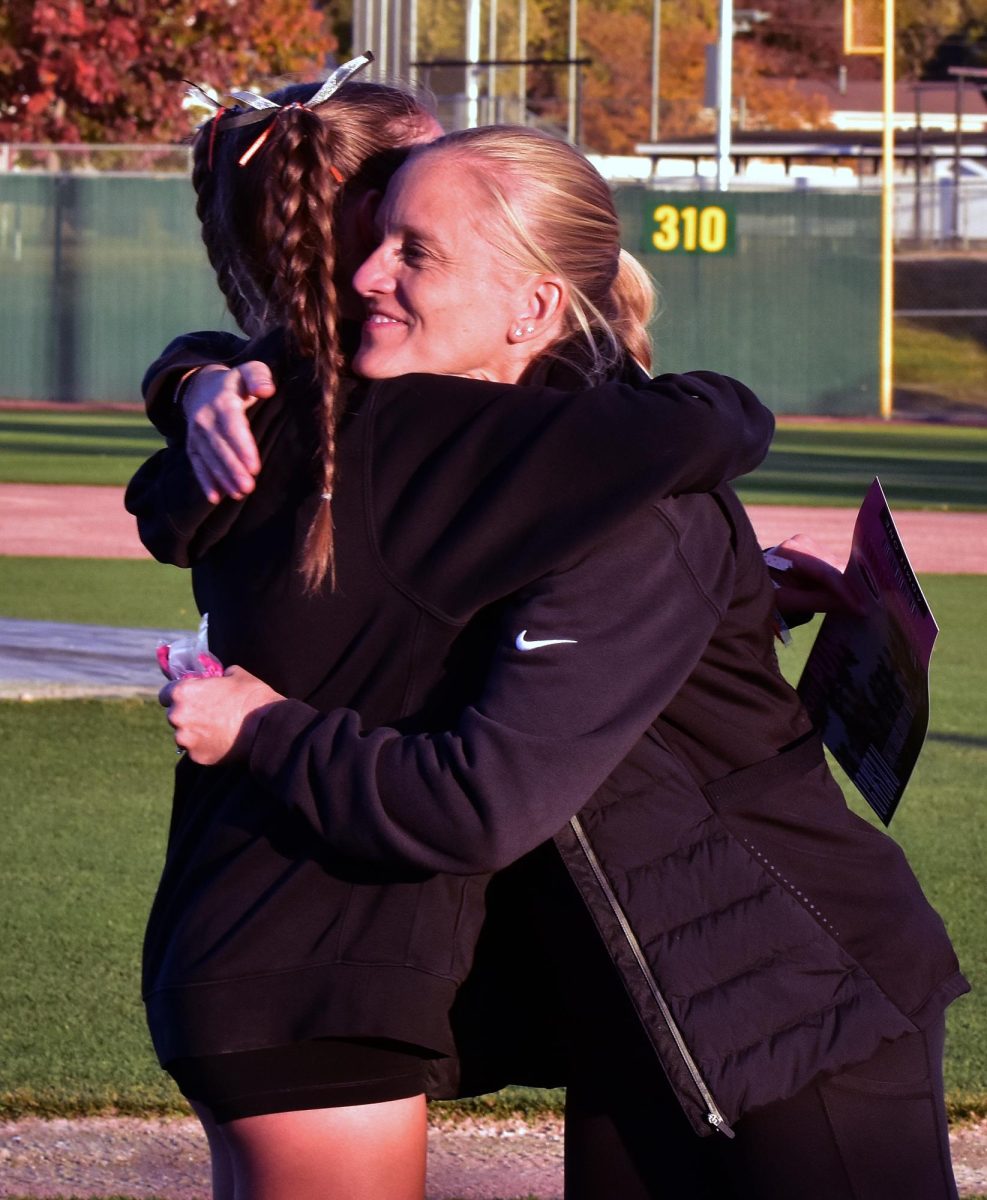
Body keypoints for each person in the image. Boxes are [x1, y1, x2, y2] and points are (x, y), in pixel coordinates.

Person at [128, 100, 965, 1200]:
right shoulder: (502, 459)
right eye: (372, 241)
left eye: (413, 250)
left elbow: (484, 793)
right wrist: (194, 377)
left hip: (791, 1001)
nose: (370, 274)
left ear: (532, 305)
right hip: (640, 1003)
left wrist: (262, 726)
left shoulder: (612, 483)